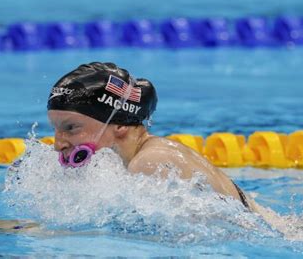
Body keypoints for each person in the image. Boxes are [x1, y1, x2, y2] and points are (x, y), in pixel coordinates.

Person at [47, 61, 258, 211]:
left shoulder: (151, 161)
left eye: (71, 128)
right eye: (55, 129)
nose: (58, 144)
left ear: (119, 123)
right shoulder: (140, 158)